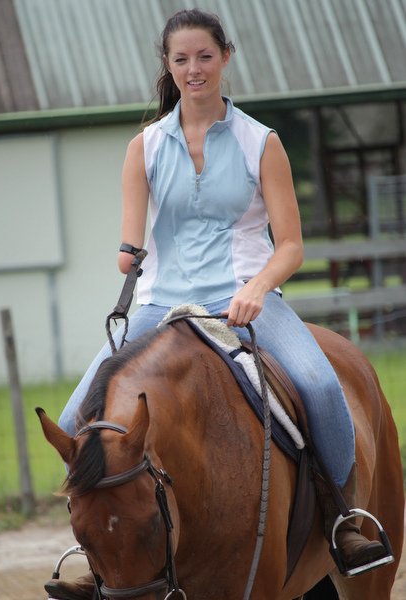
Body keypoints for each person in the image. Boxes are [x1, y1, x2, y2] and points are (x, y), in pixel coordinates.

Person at [45, 9, 388, 600]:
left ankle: (342, 519)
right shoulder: (144, 147)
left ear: (225, 57)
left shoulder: (262, 142)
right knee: (79, 420)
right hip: (160, 303)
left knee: (323, 386)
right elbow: (133, 240)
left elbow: (292, 245)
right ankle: (104, 551)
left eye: (204, 56)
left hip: (244, 299)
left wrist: (257, 287)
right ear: (169, 67)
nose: (193, 69)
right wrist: (128, 255)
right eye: (181, 60)